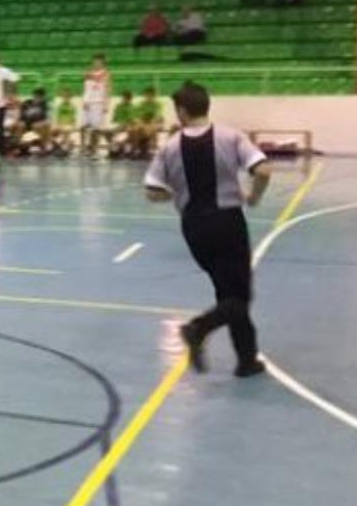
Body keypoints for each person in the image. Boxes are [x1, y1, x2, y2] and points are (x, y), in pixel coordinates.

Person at [144, 82, 270, 378]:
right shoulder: (231, 136)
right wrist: (253, 196)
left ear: (182, 111)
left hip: (194, 227)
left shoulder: (170, 146)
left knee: (228, 292)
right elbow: (263, 170)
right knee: (239, 297)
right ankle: (198, 327)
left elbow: (151, 191)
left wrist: (177, 193)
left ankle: (247, 360)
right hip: (227, 221)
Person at [81, 54, 111, 157]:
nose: (96, 63)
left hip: (98, 102)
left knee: (96, 128)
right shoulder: (88, 73)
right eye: (95, 61)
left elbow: (107, 88)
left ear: (103, 63)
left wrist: (106, 104)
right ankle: (83, 147)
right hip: (88, 102)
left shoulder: (105, 73)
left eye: (99, 61)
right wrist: (84, 100)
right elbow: (86, 88)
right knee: (83, 126)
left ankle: (95, 150)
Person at [14, 87, 52, 155]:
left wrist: (40, 122)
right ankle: (20, 147)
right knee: (20, 125)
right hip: (26, 123)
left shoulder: (44, 104)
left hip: (37, 124)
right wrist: (19, 120)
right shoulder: (27, 102)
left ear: (43, 97)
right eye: (36, 96)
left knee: (40, 126)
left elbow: (45, 117)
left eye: (40, 97)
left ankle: (42, 147)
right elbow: (21, 114)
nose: (37, 98)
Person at [132, 86, 165, 157]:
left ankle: (150, 149)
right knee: (136, 129)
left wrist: (150, 122)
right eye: (147, 95)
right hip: (144, 123)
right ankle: (136, 150)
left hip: (154, 123)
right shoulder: (141, 104)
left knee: (151, 128)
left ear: (154, 95)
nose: (149, 97)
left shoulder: (158, 104)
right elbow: (137, 116)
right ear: (145, 95)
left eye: (151, 95)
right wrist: (141, 122)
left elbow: (157, 116)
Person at [110, 91, 138, 158]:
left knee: (124, 134)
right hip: (119, 126)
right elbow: (114, 119)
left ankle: (121, 150)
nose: (125, 99)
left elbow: (132, 121)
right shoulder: (118, 106)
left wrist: (124, 125)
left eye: (128, 98)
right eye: (124, 98)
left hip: (127, 128)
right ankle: (116, 149)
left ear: (130, 99)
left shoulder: (132, 107)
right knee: (107, 132)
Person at [53, 86, 79, 156]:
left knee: (67, 130)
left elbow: (73, 118)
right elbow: (58, 118)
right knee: (63, 131)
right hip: (61, 124)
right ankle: (64, 146)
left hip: (69, 125)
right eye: (64, 96)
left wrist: (74, 126)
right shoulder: (60, 106)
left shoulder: (72, 107)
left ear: (70, 97)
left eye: (67, 96)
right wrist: (58, 125)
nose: (66, 98)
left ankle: (65, 147)